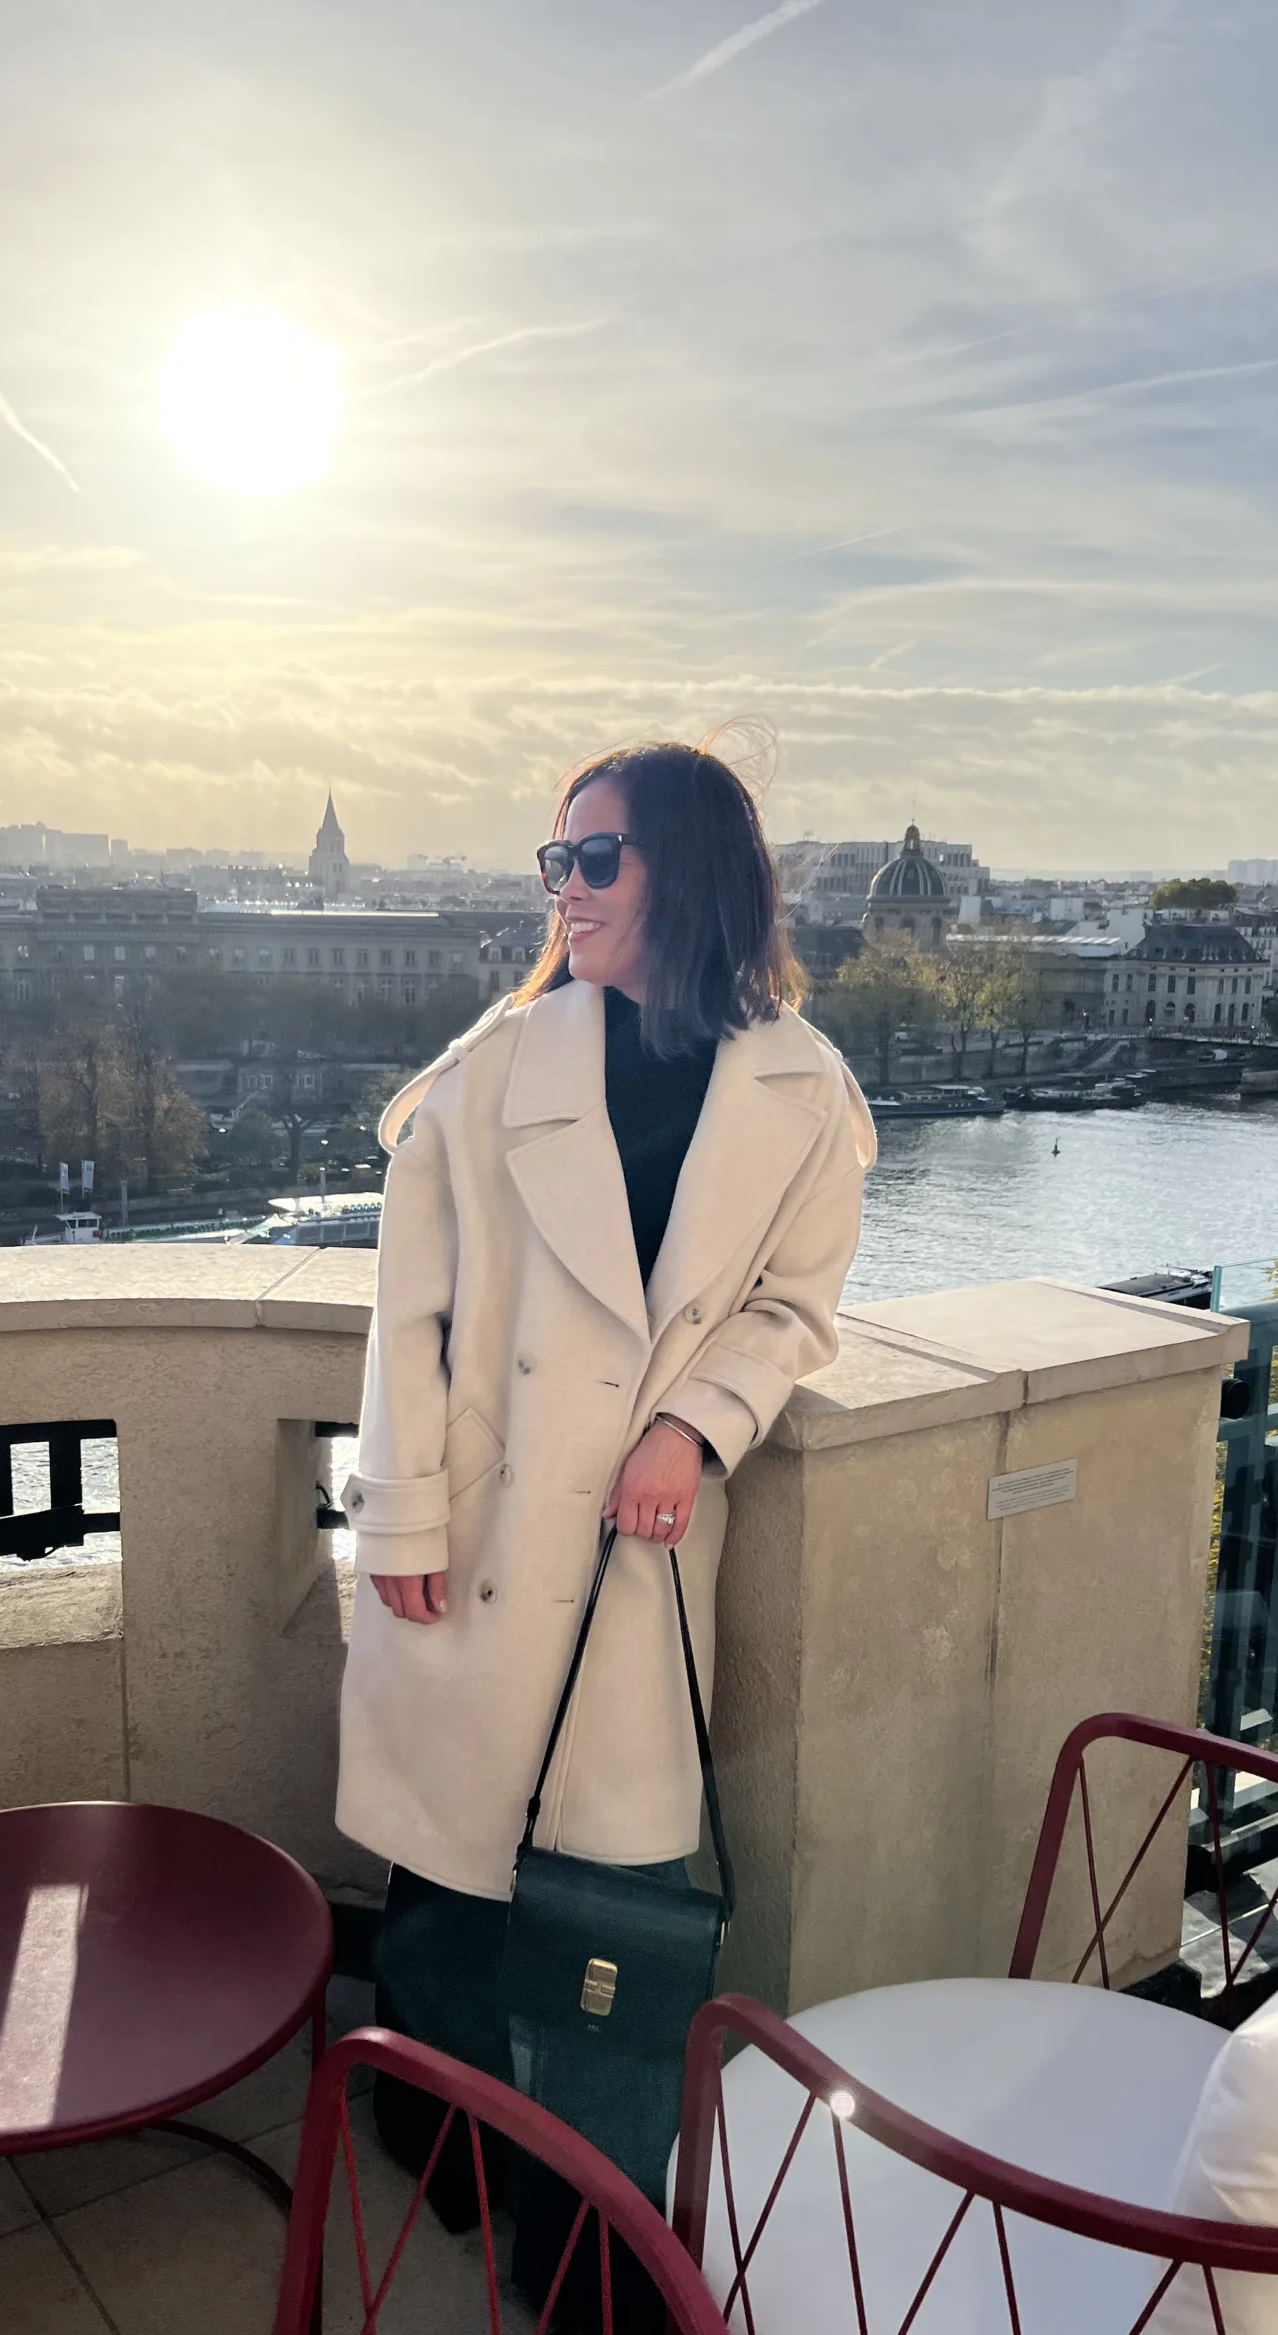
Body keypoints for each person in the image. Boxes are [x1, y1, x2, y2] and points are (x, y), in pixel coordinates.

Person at [335, 740, 876, 2202]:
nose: (562, 890)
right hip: (484, 1518)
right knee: (451, 1871)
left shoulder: (805, 1091)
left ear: (686, 874)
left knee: (613, 1891)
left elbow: (795, 1307)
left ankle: (589, 2202)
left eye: (594, 858)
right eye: (553, 860)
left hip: (635, 1556)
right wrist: (397, 1519)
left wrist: (695, 1422)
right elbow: (409, 1317)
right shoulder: (487, 1073)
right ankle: (442, 2142)